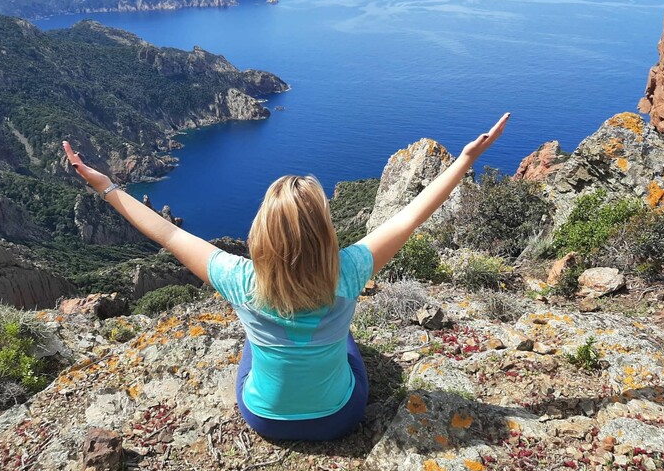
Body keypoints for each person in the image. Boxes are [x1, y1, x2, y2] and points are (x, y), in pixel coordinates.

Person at [62, 112, 509, 441]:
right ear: (325, 233)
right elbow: (410, 217)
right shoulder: (349, 270)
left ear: (262, 233)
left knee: (251, 348)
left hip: (263, 419)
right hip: (340, 417)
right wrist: (465, 159)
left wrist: (105, 185)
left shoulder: (238, 278)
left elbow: (165, 231)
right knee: (351, 345)